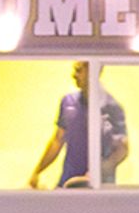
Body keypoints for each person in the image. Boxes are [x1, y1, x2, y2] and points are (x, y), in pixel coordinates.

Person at [27, 60, 132, 188]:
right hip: (68, 183)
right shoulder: (68, 102)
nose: (74, 75)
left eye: (78, 70)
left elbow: (122, 149)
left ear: (93, 71)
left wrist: (98, 171)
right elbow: (57, 141)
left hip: (99, 188)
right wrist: (37, 171)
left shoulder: (112, 108)